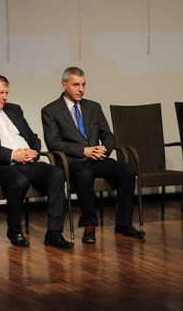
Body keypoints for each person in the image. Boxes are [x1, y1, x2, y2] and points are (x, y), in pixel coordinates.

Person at [0, 74, 72, 248]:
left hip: (28, 162)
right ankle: (14, 231)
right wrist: (12, 155)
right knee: (19, 181)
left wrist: (34, 151)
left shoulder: (14, 109)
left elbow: (32, 137)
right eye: (1, 93)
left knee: (57, 173)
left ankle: (54, 232)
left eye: (7, 93)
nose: (5, 97)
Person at [41, 67, 144, 244]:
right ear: (64, 85)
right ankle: (89, 225)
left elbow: (108, 135)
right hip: (73, 161)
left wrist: (104, 148)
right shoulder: (50, 110)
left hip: (97, 158)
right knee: (85, 174)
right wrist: (83, 151)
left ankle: (124, 224)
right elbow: (53, 143)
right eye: (76, 85)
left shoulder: (93, 107)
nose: (81, 89)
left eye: (83, 84)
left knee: (127, 171)